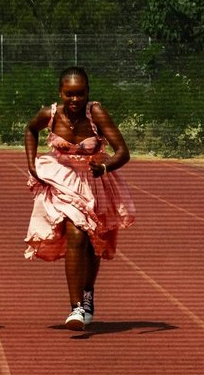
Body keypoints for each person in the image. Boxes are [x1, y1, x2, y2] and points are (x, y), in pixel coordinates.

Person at [23, 66, 135, 330]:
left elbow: (123, 152)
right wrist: (31, 164)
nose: (75, 100)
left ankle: (87, 293)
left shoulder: (96, 113)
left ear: (88, 93)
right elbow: (30, 130)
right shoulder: (49, 114)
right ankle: (76, 308)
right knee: (75, 233)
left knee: (93, 242)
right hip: (61, 179)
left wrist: (105, 167)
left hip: (94, 180)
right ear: (61, 93)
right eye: (69, 94)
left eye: (80, 94)